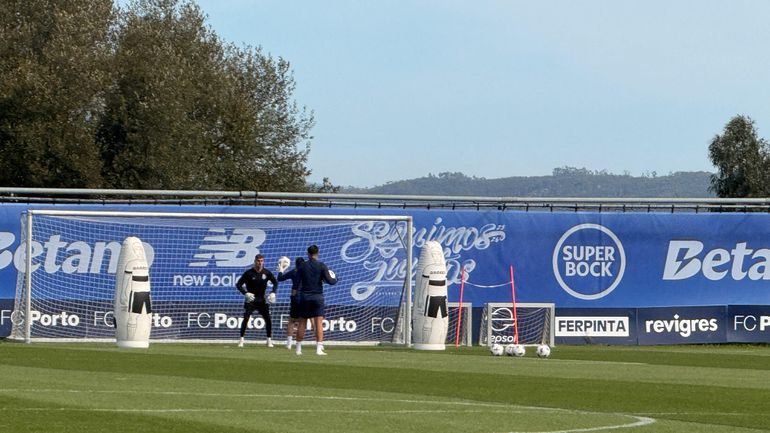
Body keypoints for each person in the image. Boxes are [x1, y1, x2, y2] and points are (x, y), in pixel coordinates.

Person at [294, 244, 337, 356]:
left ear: (308, 254)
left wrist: (295, 294)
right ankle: (318, 349)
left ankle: (298, 349)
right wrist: (335, 278)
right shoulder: (321, 265)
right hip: (317, 297)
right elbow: (331, 281)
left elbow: (296, 282)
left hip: (305, 297)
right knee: (318, 323)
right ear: (317, 253)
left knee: (302, 323)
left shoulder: (302, 266)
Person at [235, 254, 278, 348]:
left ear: (264, 262)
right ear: (255, 261)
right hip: (251, 300)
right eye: (258, 261)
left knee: (268, 319)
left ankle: (269, 340)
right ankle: (241, 340)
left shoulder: (267, 273)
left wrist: (273, 292)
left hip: (262, 300)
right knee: (246, 318)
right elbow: (238, 284)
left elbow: (275, 282)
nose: (260, 263)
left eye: (262, 261)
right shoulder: (248, 273)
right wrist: (245, 293)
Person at [277, 256, 304, 350]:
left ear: (296, 264)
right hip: (306, 298)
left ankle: (289, 344)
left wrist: (281, 269)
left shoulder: (294, 272)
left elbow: (279, 278)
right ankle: (319, 344)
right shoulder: (308, 272)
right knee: (308, 321)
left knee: (292, 320)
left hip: (295, 297)